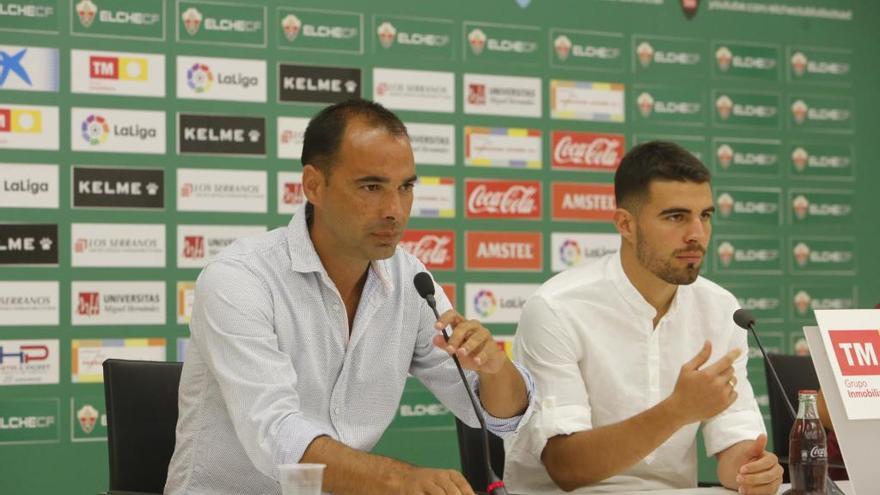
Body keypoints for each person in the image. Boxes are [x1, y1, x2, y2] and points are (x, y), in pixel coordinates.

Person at [165, 99, 533, 495]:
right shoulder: (239, 279)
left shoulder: (411, 280)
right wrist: (399, 480)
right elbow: (276, 436)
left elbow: (497, 417)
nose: (394, 210)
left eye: (405, 187)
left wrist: (495, 370)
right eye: (371, 187)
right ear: (313, 185)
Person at [504, 141, 783, 494]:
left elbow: (734, 442)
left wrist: (751, 470)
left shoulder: (722, 309)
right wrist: (677, 410)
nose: (697, 234)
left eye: (706, 216)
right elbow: (566, 467)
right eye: (676, 217)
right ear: (626, 224)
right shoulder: (556, 308)